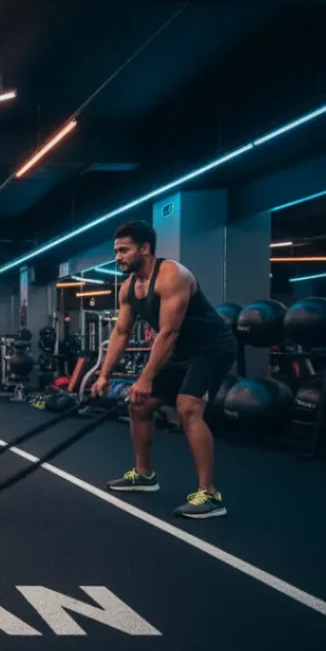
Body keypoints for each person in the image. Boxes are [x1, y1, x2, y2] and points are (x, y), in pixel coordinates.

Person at [93, 220, 237, 518]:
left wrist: (145, 378)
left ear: (145, 249)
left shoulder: (172, 274)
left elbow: (168, 333)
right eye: (116, 251)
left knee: (187, 407)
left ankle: (210, 495)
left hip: (211, 346)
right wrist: (104, 374)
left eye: (124, 250)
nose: (117, 256)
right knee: (139, 407)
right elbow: (120, 332)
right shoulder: (129, 287)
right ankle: (144, 475)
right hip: (182, 350)